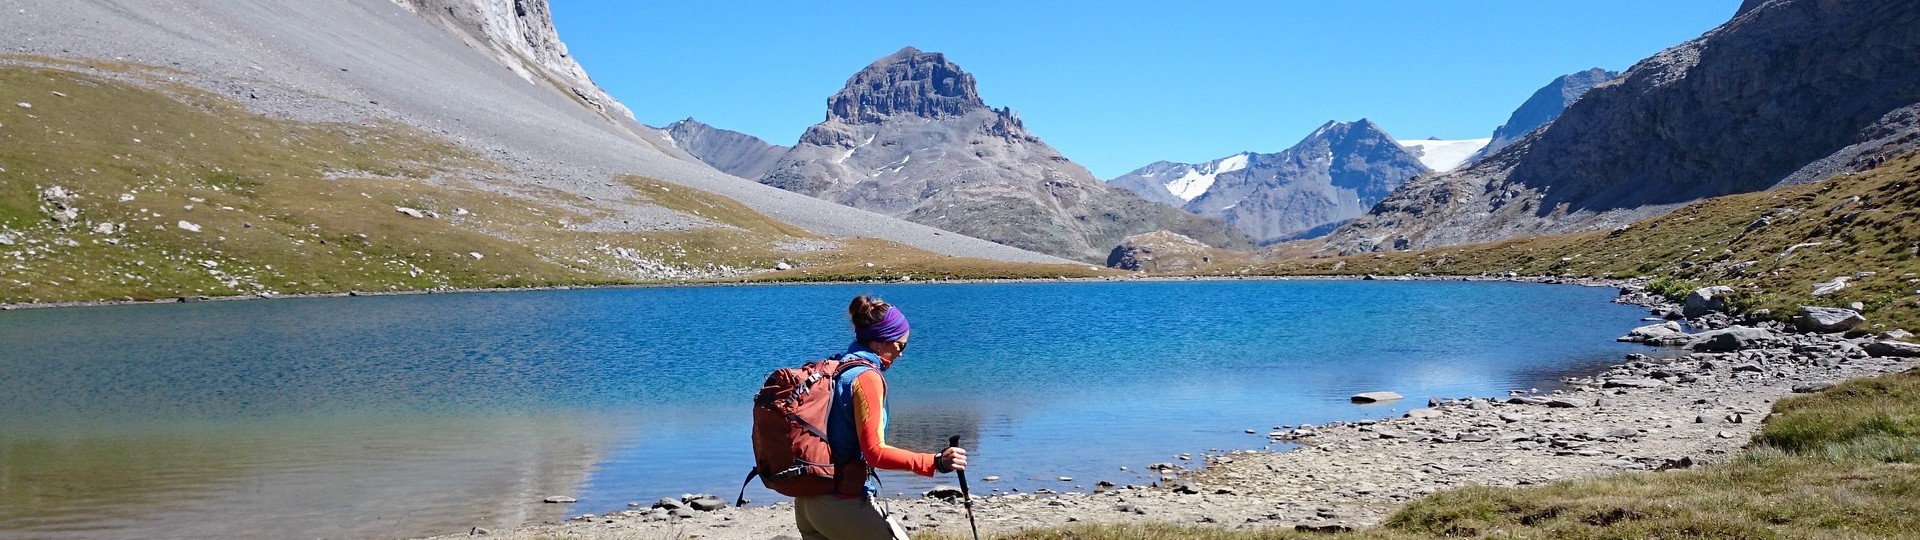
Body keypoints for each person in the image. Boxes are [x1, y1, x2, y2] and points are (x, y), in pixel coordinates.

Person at [793, 295, 968, 540]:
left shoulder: (834, 367)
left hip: (807, 500)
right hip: (842, 503)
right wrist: (935, 462)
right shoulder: (866, 378)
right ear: (880, 341)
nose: (901, 354)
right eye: (900, 346)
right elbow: (875, 452)